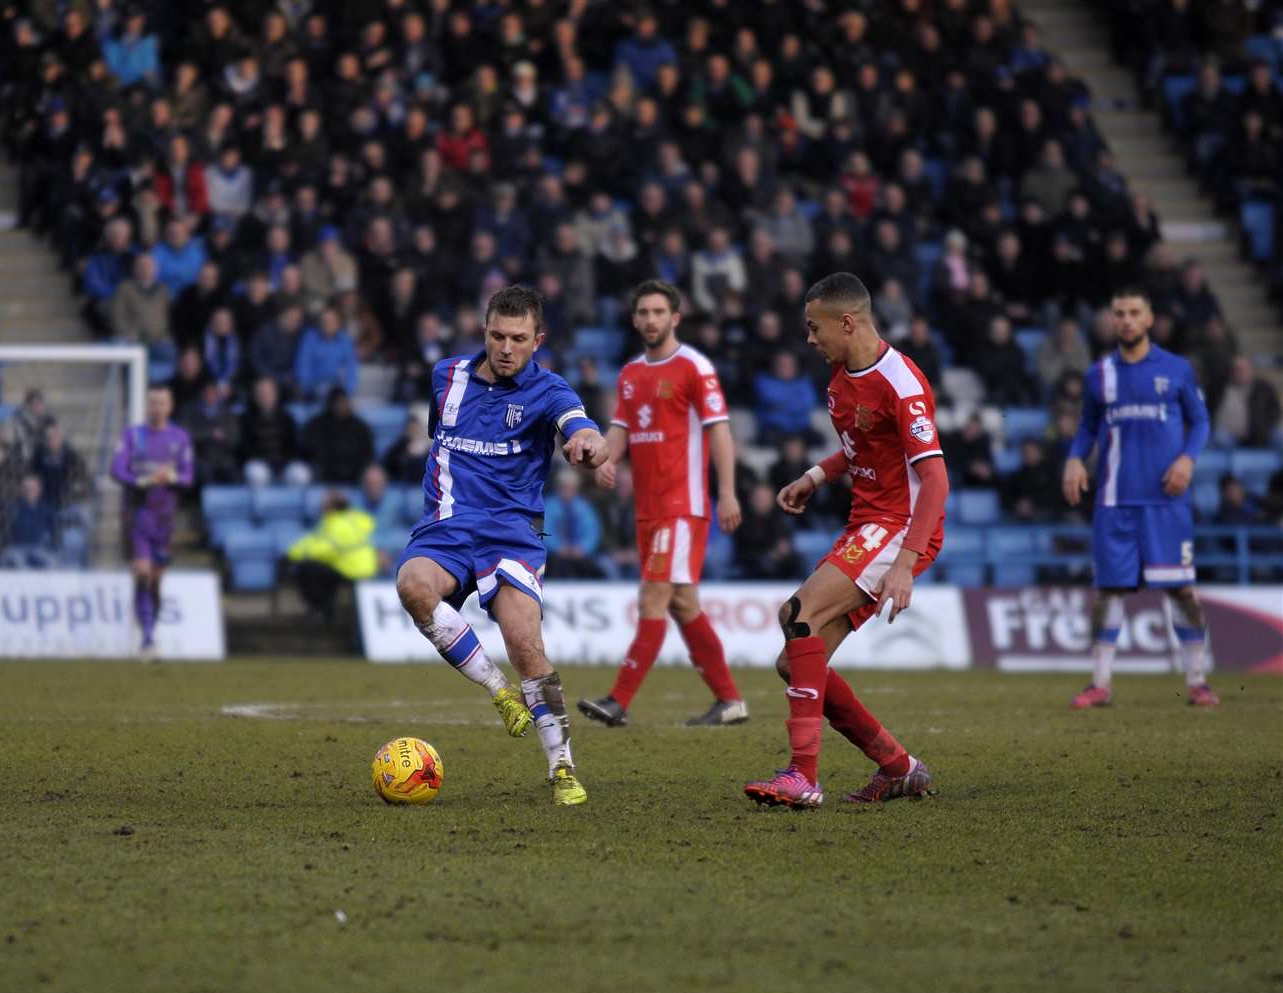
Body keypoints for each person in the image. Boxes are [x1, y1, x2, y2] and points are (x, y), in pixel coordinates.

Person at [393, 285, 606, 806]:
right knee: (413, 588)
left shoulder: (550, 390)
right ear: (483, 331)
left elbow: (579, 426)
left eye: (518, 338)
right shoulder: (446, 377)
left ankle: (562, 769)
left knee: (525, 644)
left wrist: (588, 444)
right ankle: (499, 693)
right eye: (496, 336)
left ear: (538, 340)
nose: (506, 348)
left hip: (510, 532)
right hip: (446, 526)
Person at [750, 272, 942, 808]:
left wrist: (903, 564)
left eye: (815, 328)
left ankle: (802, 775)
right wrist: (816, 475)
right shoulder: (840, 373)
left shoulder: (901, 383)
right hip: (867, 526)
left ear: (848, 321)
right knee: (794, 662)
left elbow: (936, 479)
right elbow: (861, 446)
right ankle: (899, 767)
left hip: (898, 528)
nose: (809, 339)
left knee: (798, 614)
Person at [577, 281, 747, 728]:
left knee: (652, 596)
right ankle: (730, 701)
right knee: (683, 604)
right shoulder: (631, 374)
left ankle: (618, 700)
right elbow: (619, 433)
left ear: (675, 317)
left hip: (682, 505)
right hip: (647, 509)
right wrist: (602, 460)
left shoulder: (695, 367)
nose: (650, 319)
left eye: (658, 311)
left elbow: (720, 430)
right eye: (643, 312)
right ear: (634, 319)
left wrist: (726, 492)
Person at [1063, 285, 1217, 709]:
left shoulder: (1177, 369)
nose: (1127, 320)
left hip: (1166, 500)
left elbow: (1200, 421)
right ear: (1112, 320)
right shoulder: (1099, 374)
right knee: (1109, 591)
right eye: (1119, 313)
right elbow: (1087, 428)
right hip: (1114, 500)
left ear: (1149, 319)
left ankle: (1198, 680)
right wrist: (1076, 460)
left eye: (1134, 312)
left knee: (1181, 590)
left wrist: (1187, 459)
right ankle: (1100, 683)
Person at [110, 385, 194, 656]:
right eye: (152, 402)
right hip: (138, 514)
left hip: (165, 518)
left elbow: (188, 476)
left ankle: (150, 633)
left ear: (170, 406)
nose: (157, 407)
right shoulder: (133, 436)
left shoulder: (180, 438)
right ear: (147, 406)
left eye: (162, 402)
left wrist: (172, 478)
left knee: (156, 580)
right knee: (143, 573)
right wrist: (140, 481)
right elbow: (116, 468)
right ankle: (146, 640)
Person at [285, 489, 378, 622]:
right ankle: (325, 610)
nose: (321, 507)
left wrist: (294, 554)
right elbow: (315, 540)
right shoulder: (358, 518)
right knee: (322, 568)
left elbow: (323, 549)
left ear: (331, 507)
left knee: (307, 568)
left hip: (351, 570)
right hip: (364, 567)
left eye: (323, 504)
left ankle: (322, 611)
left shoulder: (336, 523)